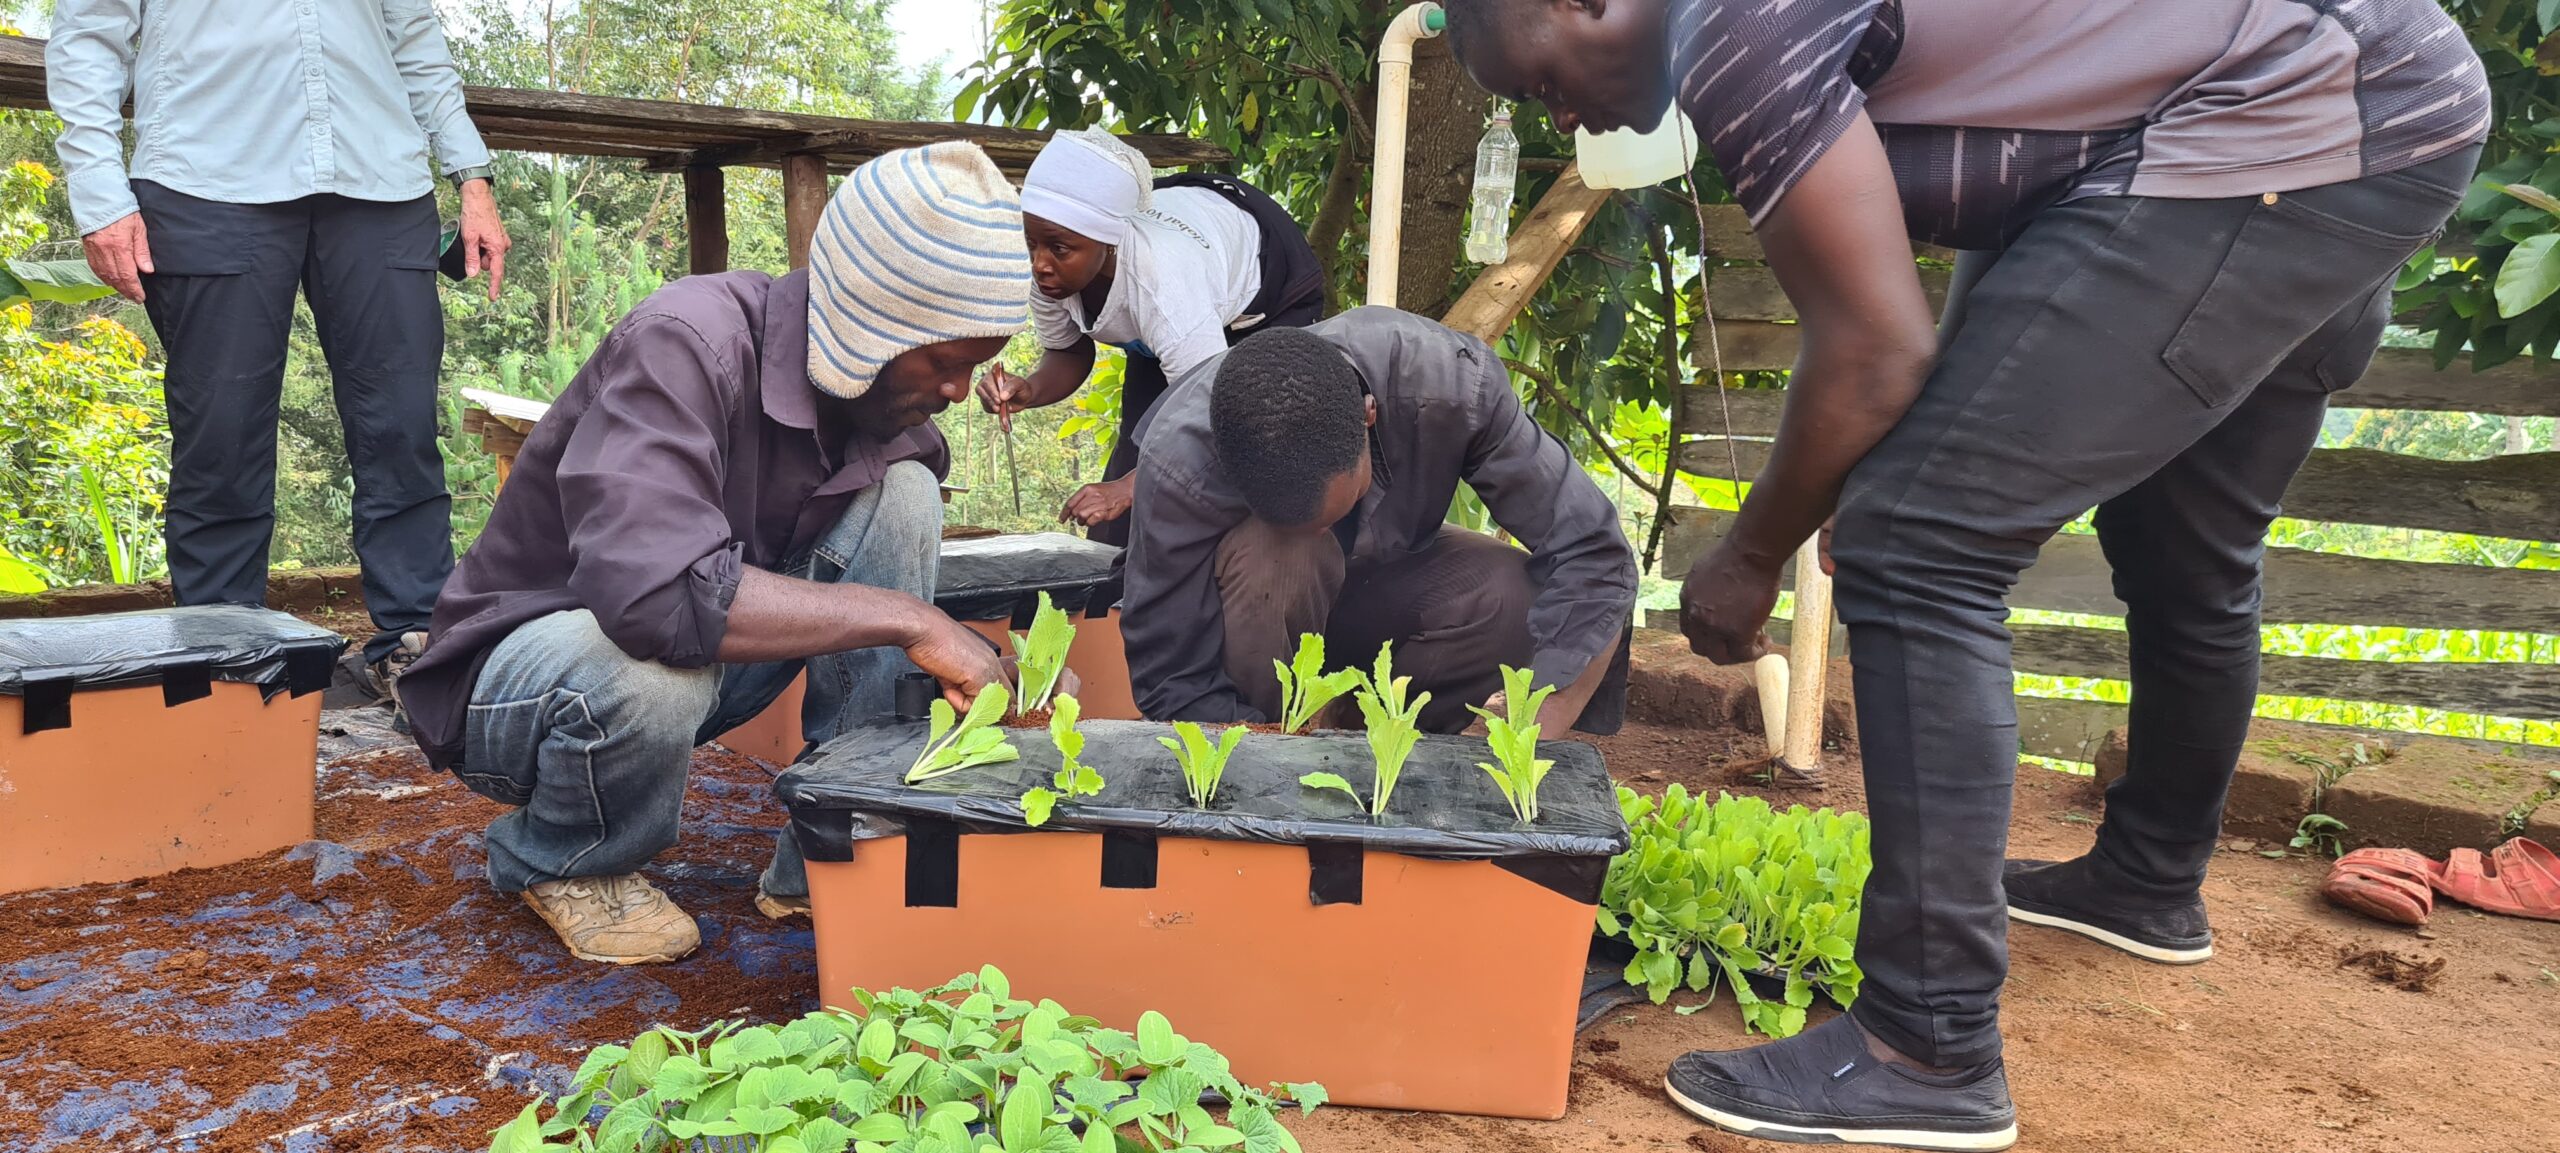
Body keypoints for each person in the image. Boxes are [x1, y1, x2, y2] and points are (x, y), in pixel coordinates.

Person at [1445, 1, 2488, 1149]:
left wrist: (1748, 556)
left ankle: (1921, 1044)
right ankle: (2143, 884)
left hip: (2282, 119)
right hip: (2371, 111)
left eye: (1541, 79)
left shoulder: (1731, 25)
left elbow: (1875, 347)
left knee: (1916, 545)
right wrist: (1899, 448)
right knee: (2181, 538)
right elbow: (2034, 218)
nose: (1561, 111)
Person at [395, 142, 1030, 966]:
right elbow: (655, 600)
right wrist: (911, 618)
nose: (958, 391)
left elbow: (877, 557)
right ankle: (568, 857)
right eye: (944, 362)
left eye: (971, 366)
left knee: (904, 493)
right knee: (652, 666)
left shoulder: (876, 405)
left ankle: (840, 845)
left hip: (695, 666)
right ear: (875, 323)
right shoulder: (686, 343)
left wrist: (989, 666)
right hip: (534, 685)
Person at [48, 0, 512, 696]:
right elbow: (87, 35)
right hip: (204, 180)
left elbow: (413, 33)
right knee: (221, 436)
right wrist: (98, 191)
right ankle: (224, 659)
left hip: (378, 178)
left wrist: (471, 177)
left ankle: (416, 648)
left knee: (402, 427)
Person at [1122, 311, 1636, 739]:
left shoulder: (1453, 387)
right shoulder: (1179, 462)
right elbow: (1171, 670)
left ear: (1369, 416)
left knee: (1507, 592)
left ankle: (1393, 750)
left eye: (1344, 505)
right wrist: (1250, 757)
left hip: (1380, 583)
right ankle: (1281, 734)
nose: (1328, 529)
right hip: (1262, 627)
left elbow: (1592, 552)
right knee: (1287, 555)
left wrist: (1544, 705)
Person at [976, 129, 1325, 545]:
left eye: (1059, 249)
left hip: (1271, 290)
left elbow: (1211, 420)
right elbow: (1068, 351)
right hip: (1182, 288)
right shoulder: (1050, 271)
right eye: (1031, 244)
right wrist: (1029, 389)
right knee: (1139, 452)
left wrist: (1126, 489)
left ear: (1107, 243)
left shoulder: (1165, 293)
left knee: (1250, 454)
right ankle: (1113, 597)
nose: (1040, 264)